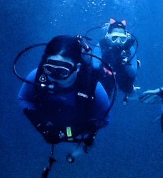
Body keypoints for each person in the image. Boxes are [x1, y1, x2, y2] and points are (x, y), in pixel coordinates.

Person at [18, 35, 112, 163]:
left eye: (62, 71)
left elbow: (104, 119)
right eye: (49, 69)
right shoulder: (36, 76)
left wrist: (73, 131)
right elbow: (24, 98)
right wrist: (40, 124)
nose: (54, 77)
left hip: (78, 122)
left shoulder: (95, 89)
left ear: (77, 68)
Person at [94, 18, 138, 102]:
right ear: (108, 36)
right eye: (114, 37)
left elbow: (133, 73)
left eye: (122, 38)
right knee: (104, 94)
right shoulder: (101, 45)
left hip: (122, 74)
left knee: (127, 88)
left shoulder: (129, 48)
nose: (118, 41)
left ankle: (130, 92)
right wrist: (106, 60)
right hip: (106, 75)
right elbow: (95, 66)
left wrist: (125, 63)